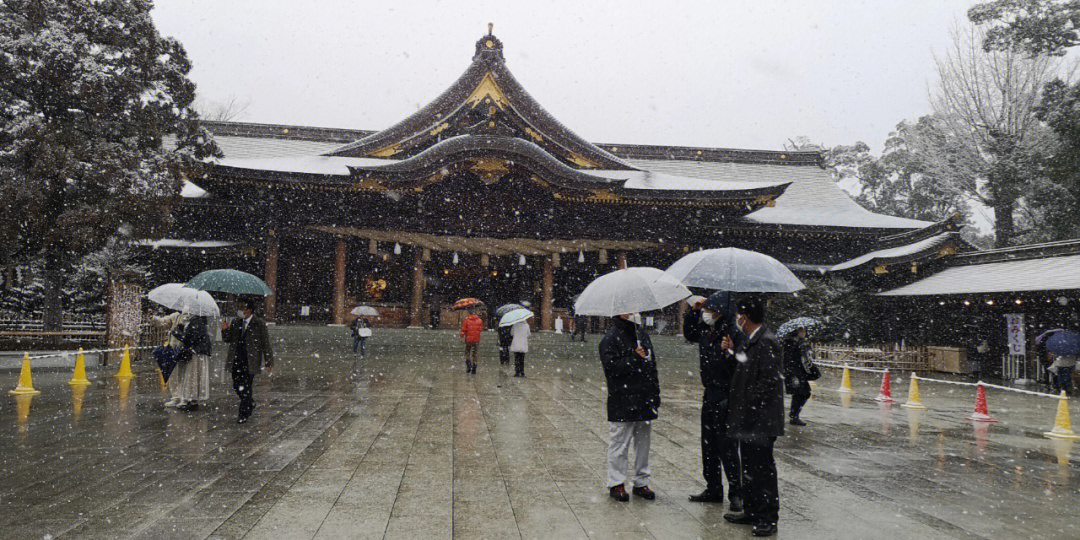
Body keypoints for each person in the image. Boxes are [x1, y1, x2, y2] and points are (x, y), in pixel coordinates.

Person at [722, 297, 784, 537]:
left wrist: (749, 403)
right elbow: (742, 368)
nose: (738, 319)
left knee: (763, 470)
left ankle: (767, 517)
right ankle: (751, 510)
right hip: (748, 419)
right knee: (748, 466)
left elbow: (769, 381)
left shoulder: (767, 341)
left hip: (761, 419)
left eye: (739, 315)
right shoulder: (751, 340)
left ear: (745, 317)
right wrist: (729, 352)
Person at [683, 291, 742, 512]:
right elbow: (689, 333)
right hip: (710, 392)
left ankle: (736, 492)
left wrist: (731, 352)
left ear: (721, 312)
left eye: (710, 310)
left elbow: (743, 364)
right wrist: (693, 311)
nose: (707, 314)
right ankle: (713, 487)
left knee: (727, 446)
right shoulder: (708, 330)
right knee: (708, 444)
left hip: (727, 395)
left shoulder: (733, 333)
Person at [600, 312, 660, 502]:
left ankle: (641, 481)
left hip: (644, 397)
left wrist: (655, 393)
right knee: (619, 442)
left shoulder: (642, 335)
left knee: (643, 444)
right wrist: (634, 358)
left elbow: (652, 366)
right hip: (623, 398)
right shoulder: (610, 339)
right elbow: (611, 368)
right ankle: (616, 482)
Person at [222, 298, 274, 424]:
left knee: (246, 386)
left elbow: (265, 343)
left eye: (242, 308)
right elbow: (228, 339)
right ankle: (249, 402)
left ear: (249, 310)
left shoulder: (259, 324)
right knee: (236, 384)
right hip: (236, 359)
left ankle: (243, 413)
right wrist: (224, 330)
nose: (240, 311)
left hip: (250, 360)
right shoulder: (236, 322)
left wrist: (269, 361)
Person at [172, 312, 212, 411]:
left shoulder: (196, 322)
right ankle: (192, 400)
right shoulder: (197, 321)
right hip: (197, 352)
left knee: (192, 376)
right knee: (194, 376)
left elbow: (189, 339)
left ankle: (191, 400)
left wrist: (177, 332)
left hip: (196, 353)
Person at [783, 326, 814, 426]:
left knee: (803, 393)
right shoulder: (790, 343)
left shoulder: (802, 342)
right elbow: (788, 360)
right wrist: (792, 375)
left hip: (801, 372)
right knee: (801, 393)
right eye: (801, 330)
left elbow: (806, 356)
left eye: (804, 330)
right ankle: (794, 416)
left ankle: (794, 414)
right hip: (794, 373)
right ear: (795, 331)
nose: (803, 332)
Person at [460, 309, 484, 374]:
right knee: (475, 353)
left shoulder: (467, 320)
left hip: (468, 339)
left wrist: (462, 336)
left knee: (467, 351)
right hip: (476, 339)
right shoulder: (480, 320)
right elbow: (480, 329)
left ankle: (468, 364)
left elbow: (463, 329)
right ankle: (474, 367)